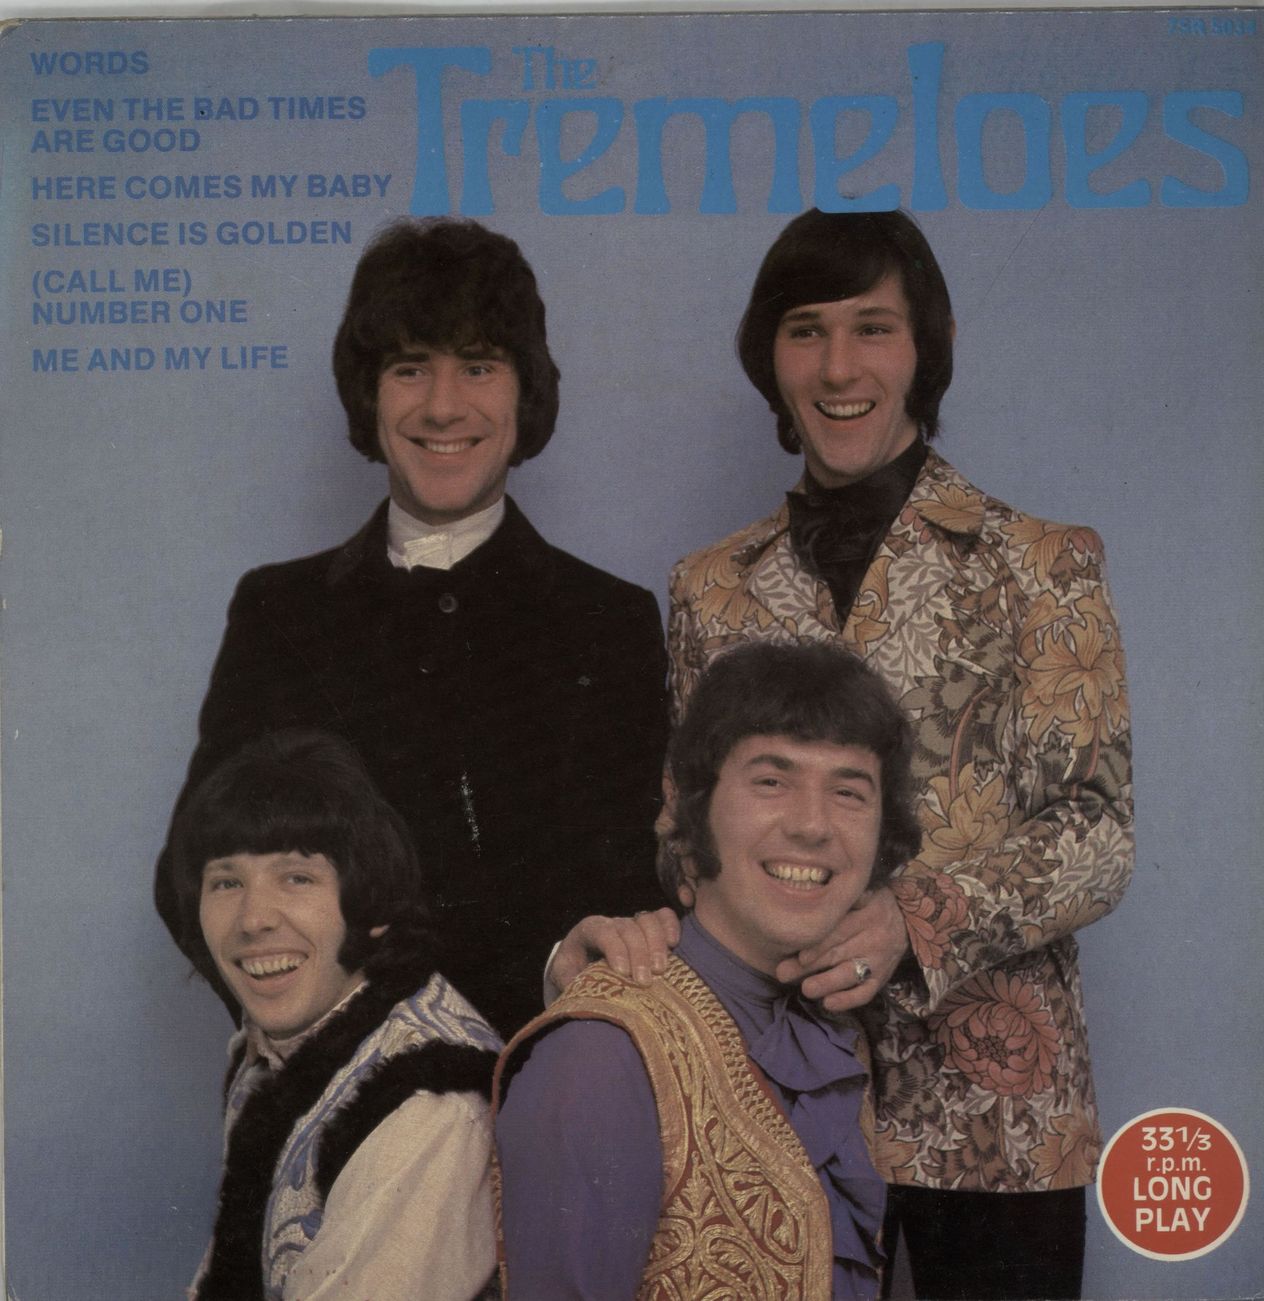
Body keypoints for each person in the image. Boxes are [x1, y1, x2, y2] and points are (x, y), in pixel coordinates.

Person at [557, 208, 1134, 1300]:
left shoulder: (1042, 564)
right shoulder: (709, 588)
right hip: (764, 1098)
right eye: (805, 330)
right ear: (769, 359)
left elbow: (1096, 835)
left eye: (872, 328)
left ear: (927, 347)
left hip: (998, 1118)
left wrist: (909, 919)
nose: (837, 367)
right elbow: (682, 836)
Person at [155, 217, 668, 1039]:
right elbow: (191, 871)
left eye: (478, 366)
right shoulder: (277, 611)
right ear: (370, 392)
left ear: (524, 391)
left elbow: (630, 886)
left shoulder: (612, 622)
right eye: (409, 368)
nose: (443, 406)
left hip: (545, 1069)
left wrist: (551, 975)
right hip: (334, 1073)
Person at [496, 641, 922, 1300]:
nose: (813, 825)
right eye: (771, 781)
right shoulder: (602, 1057)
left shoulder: (837, 1034)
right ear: (695, 809)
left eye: (848, 791)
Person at [167, 729, 501, 1301]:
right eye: (226, 882)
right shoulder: (270, 1049)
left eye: (297, 878)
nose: (252, 919)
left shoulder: (428, 1104)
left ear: (371, 901)